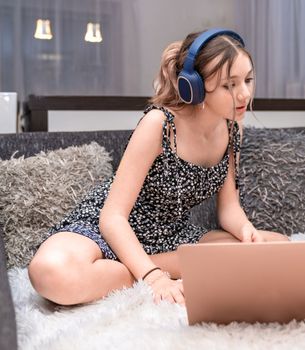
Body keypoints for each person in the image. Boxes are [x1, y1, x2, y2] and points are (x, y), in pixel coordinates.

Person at [28, 28, 288, 306]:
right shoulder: (159, 124)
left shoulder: (233, 127)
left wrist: (245, 228)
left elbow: (229, 208)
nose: (244, 94)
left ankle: (132, 268)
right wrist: (153, 277)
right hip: (113, 228)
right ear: (195, 86)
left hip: (171, 235)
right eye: (229, 85)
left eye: (248, 80)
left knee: (280, 248)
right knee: (51, 273)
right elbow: (112, 217)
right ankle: (143, 268)